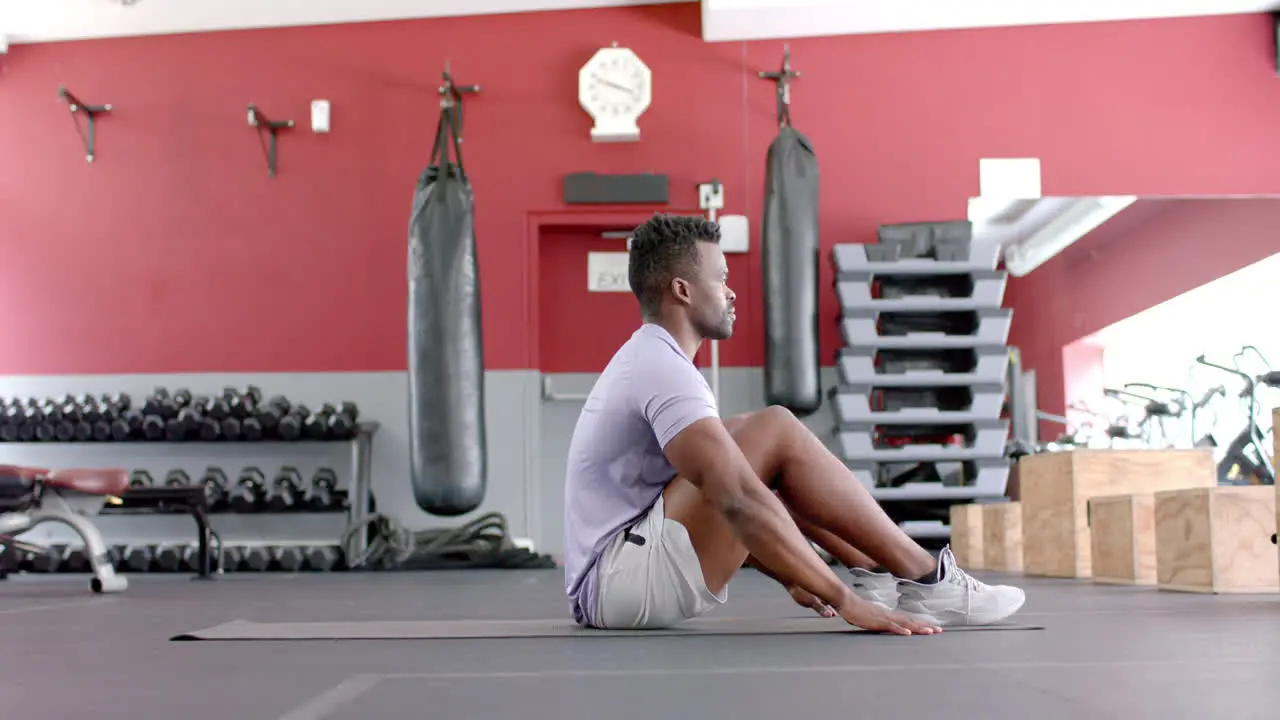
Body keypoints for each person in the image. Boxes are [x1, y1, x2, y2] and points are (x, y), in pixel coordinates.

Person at [561, 213, 1025, 634]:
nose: (731, 291)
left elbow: (732, 492)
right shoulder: (663, 369)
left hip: (619, 580)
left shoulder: (649, 357)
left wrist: (793, 575)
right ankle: (926, 577)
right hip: (618, 582)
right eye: (721, 278)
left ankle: (874, 573)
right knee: (772, 429)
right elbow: (737, 500)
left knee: (744, 438)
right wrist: (840, 600)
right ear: (682, 290)